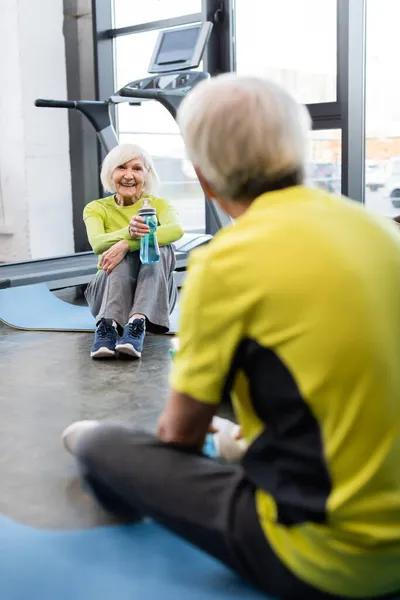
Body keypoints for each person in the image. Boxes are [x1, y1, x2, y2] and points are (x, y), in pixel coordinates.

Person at [63, 75, 400, 599]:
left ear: (202, 176)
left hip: (332, 560)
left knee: (93, 440)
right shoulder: (382, 233)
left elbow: (179, 438)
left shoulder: (227, 263)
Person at [83, 143, 184, 359]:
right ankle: (107, 326)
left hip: (157, 296)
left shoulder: (160, 205)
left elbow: (176, 230)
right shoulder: (96, 208)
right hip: (107, 292)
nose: (129, 175)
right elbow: (98, 244)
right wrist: (127, 235)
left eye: (137, 169)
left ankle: (136, 324)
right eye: (121, 167)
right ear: (110, 172)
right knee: (121, 253)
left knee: (161, 245)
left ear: (147, 175)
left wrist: (126, 244)